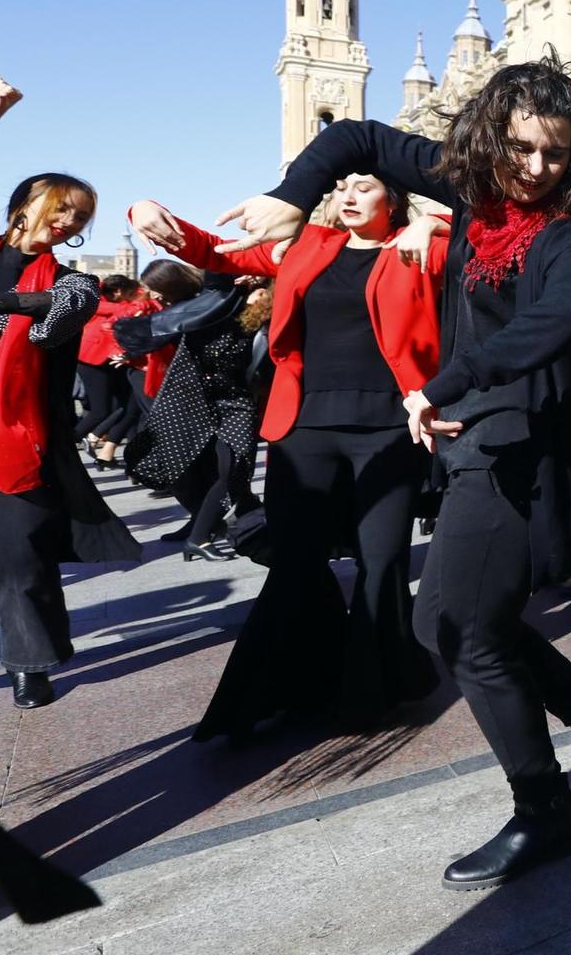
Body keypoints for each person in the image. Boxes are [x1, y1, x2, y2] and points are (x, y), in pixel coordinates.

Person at [220, 56, 571, 890]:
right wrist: (289, 192)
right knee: (469, 620)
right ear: (492, 138)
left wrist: (443, 383)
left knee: (453, 627)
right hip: (471, 440)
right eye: (522, 148)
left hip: (516, 444)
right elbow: (356, 136)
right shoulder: (466, 187)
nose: (535, 169)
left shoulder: (564, 232)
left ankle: (545, 810)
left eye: (555, 154)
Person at [130, 175, 450, 737]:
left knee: (383, 562)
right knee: (298, 562)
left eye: (366, 188)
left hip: (390, 428)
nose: (349, 197)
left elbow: (485, 238)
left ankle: (373, 690)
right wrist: (148, 212)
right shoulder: (306, 246)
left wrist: (434, 220)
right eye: (343, 186)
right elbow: (213, 252)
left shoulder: (419, 245)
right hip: (302, 429)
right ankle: (285, 690)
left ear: (393, 201)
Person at [0, 77, 140, 709]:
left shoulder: (72, 282)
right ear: (28, 202)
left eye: (80, 215)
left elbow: (61, 307)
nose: (69, 221)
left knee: (19, 550)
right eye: (62, 206)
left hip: (13, 427)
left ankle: (29, 659)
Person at [116, 261, 259, 562]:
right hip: (194, 399)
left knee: (232, 467)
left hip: (233, 400)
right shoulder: (199, 308)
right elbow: (150, 336)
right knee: (188, 467)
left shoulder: (241, 304)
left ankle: (204, 531)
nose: (154, 295)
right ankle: (203, 527)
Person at [72, 274, 142, 468]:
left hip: (107, 362)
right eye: (129, 294)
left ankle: (109, 452)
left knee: (125, 406)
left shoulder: (106, 302)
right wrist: (142, 304)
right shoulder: (98, 302)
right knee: (99, 411)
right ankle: (67, 445)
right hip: (92, 361)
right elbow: (125, 309)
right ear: (118, 292)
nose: (130, 298)